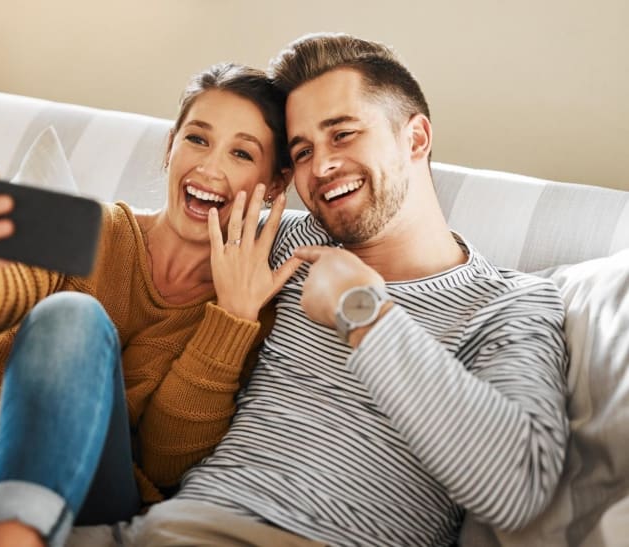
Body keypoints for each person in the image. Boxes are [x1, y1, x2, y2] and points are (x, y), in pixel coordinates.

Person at [113, 33, 569, 547]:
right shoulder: (278, 241)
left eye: (343, 135)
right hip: (156, 529)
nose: (321, 167)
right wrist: (14, 218)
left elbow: (520, 488)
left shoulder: (508, 303)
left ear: (415, 138)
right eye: (303, 150)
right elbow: (138, 244)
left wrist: (366, 314)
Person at [0, 63, 304, 547]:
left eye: (242, 153)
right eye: (197, 139)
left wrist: (231, 320)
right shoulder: (85, 225)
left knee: (72, 315)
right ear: (170, 147)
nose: (209, 167)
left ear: (273, 185)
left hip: (88, 487)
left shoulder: (249, 309)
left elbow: (166, 463)